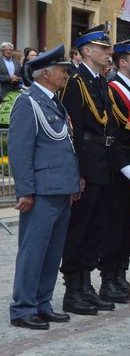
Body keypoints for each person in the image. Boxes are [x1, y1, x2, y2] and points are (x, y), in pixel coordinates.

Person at [8, 45, 80, 330]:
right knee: (33, 250)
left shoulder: (54, 102)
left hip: (60, 188)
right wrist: (25, 190)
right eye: (62, 70)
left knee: (52, 252)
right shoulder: (28, 103)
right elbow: (19, 150)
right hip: (40, 191)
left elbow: (65, 147)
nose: (65, 74)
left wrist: (73, 182)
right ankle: (23, 308)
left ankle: (42, 303)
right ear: (45, 73)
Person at [60, 25, 130, 315]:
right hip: (87, 163)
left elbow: (110, 126)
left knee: (96, 228)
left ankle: (87, 284)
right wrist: (76, 172)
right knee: (79, 229)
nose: (108, 52)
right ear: (86, 51)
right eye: (103, 48)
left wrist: (120, 164)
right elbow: (72, 129)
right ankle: (73, 290)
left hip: (104, 163)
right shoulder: (75, 83)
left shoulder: (100, 82)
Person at [100, 38, 130, 303]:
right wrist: (124, 163)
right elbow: (112, 131)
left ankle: (120, 275)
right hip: (121, 167)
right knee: (115, 226)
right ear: (122, 61)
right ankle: (109, 279)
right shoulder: (112, 89)